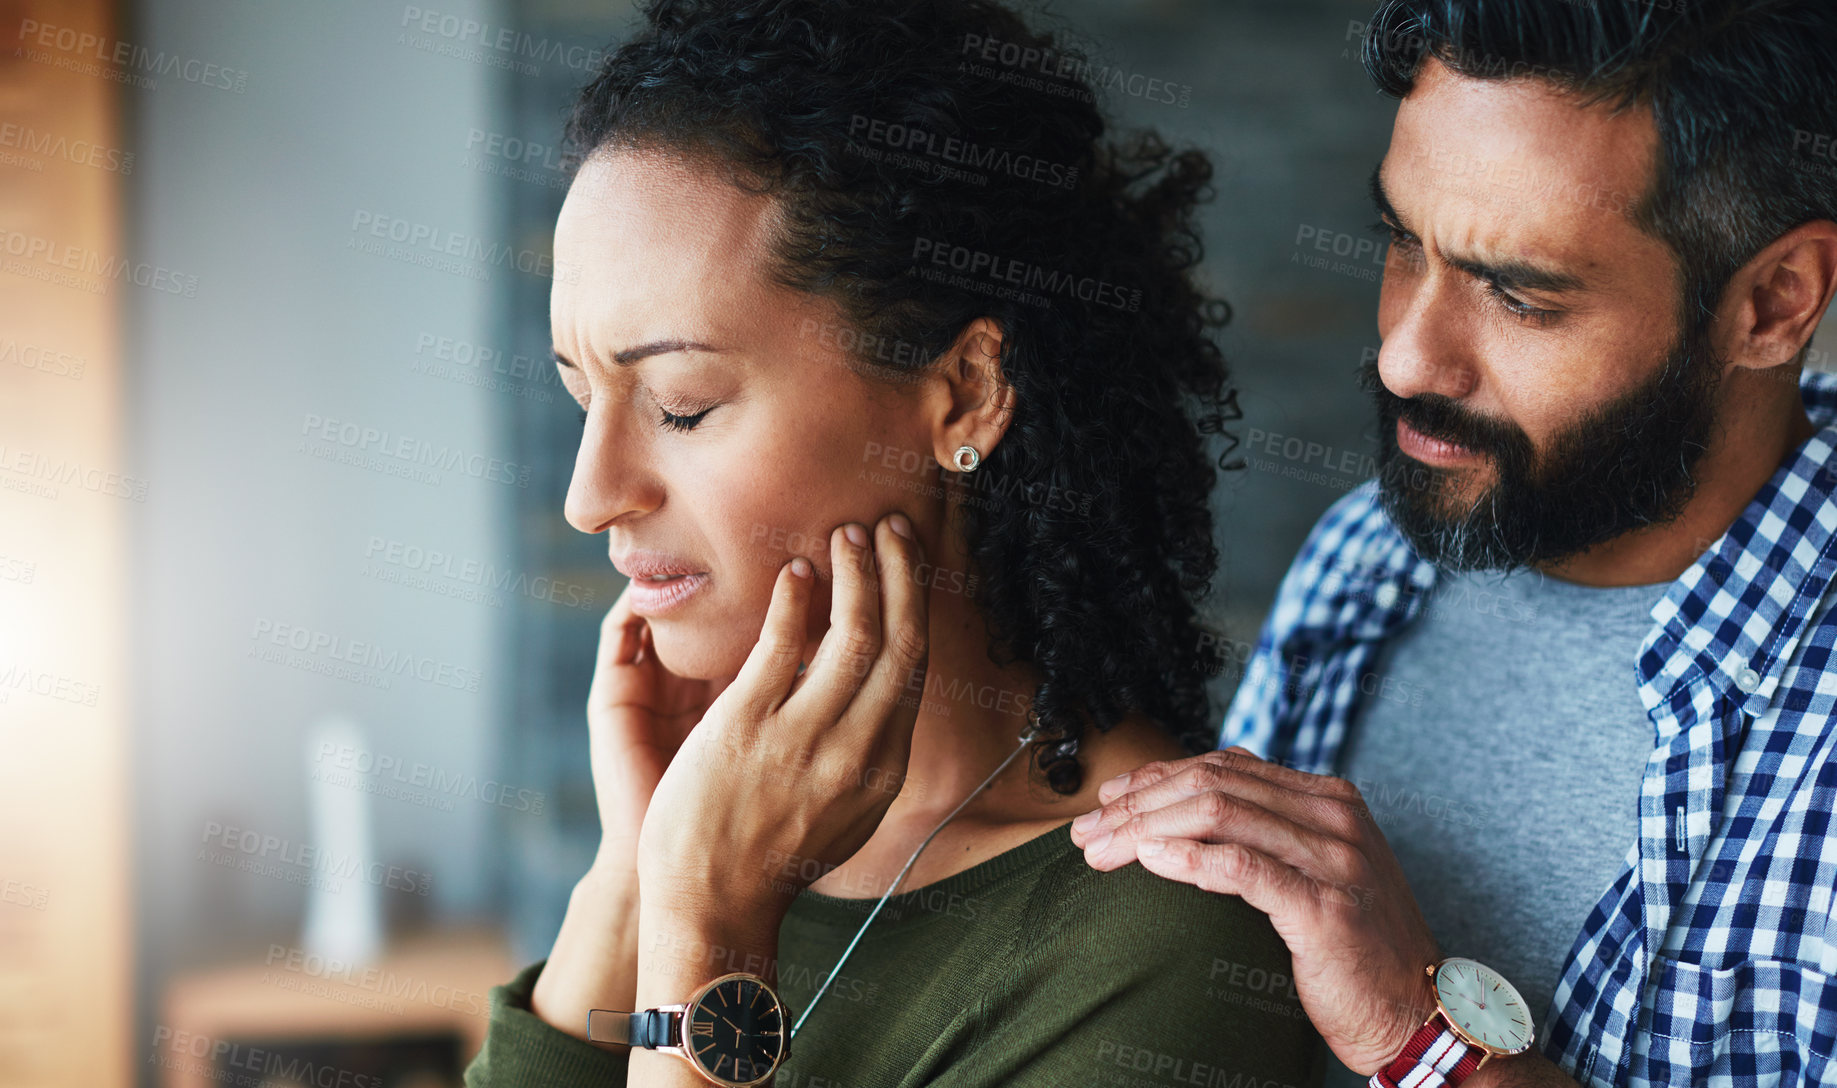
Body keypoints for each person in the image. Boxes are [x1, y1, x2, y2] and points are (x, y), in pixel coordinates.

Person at [464, 1, 1324, 1086]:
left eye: (680, 404)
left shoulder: (1154, 945)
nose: (592, 496)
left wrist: (707, 927)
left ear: (962, 393)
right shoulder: (720, 831)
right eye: (580, 391)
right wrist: (631, 881)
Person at [1069, 1, 1837, 1086]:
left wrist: (1418, 1041)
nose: (1405, 359)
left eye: (1519, 295)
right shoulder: (1365, 558)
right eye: (1399, 242)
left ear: (1772, 301)